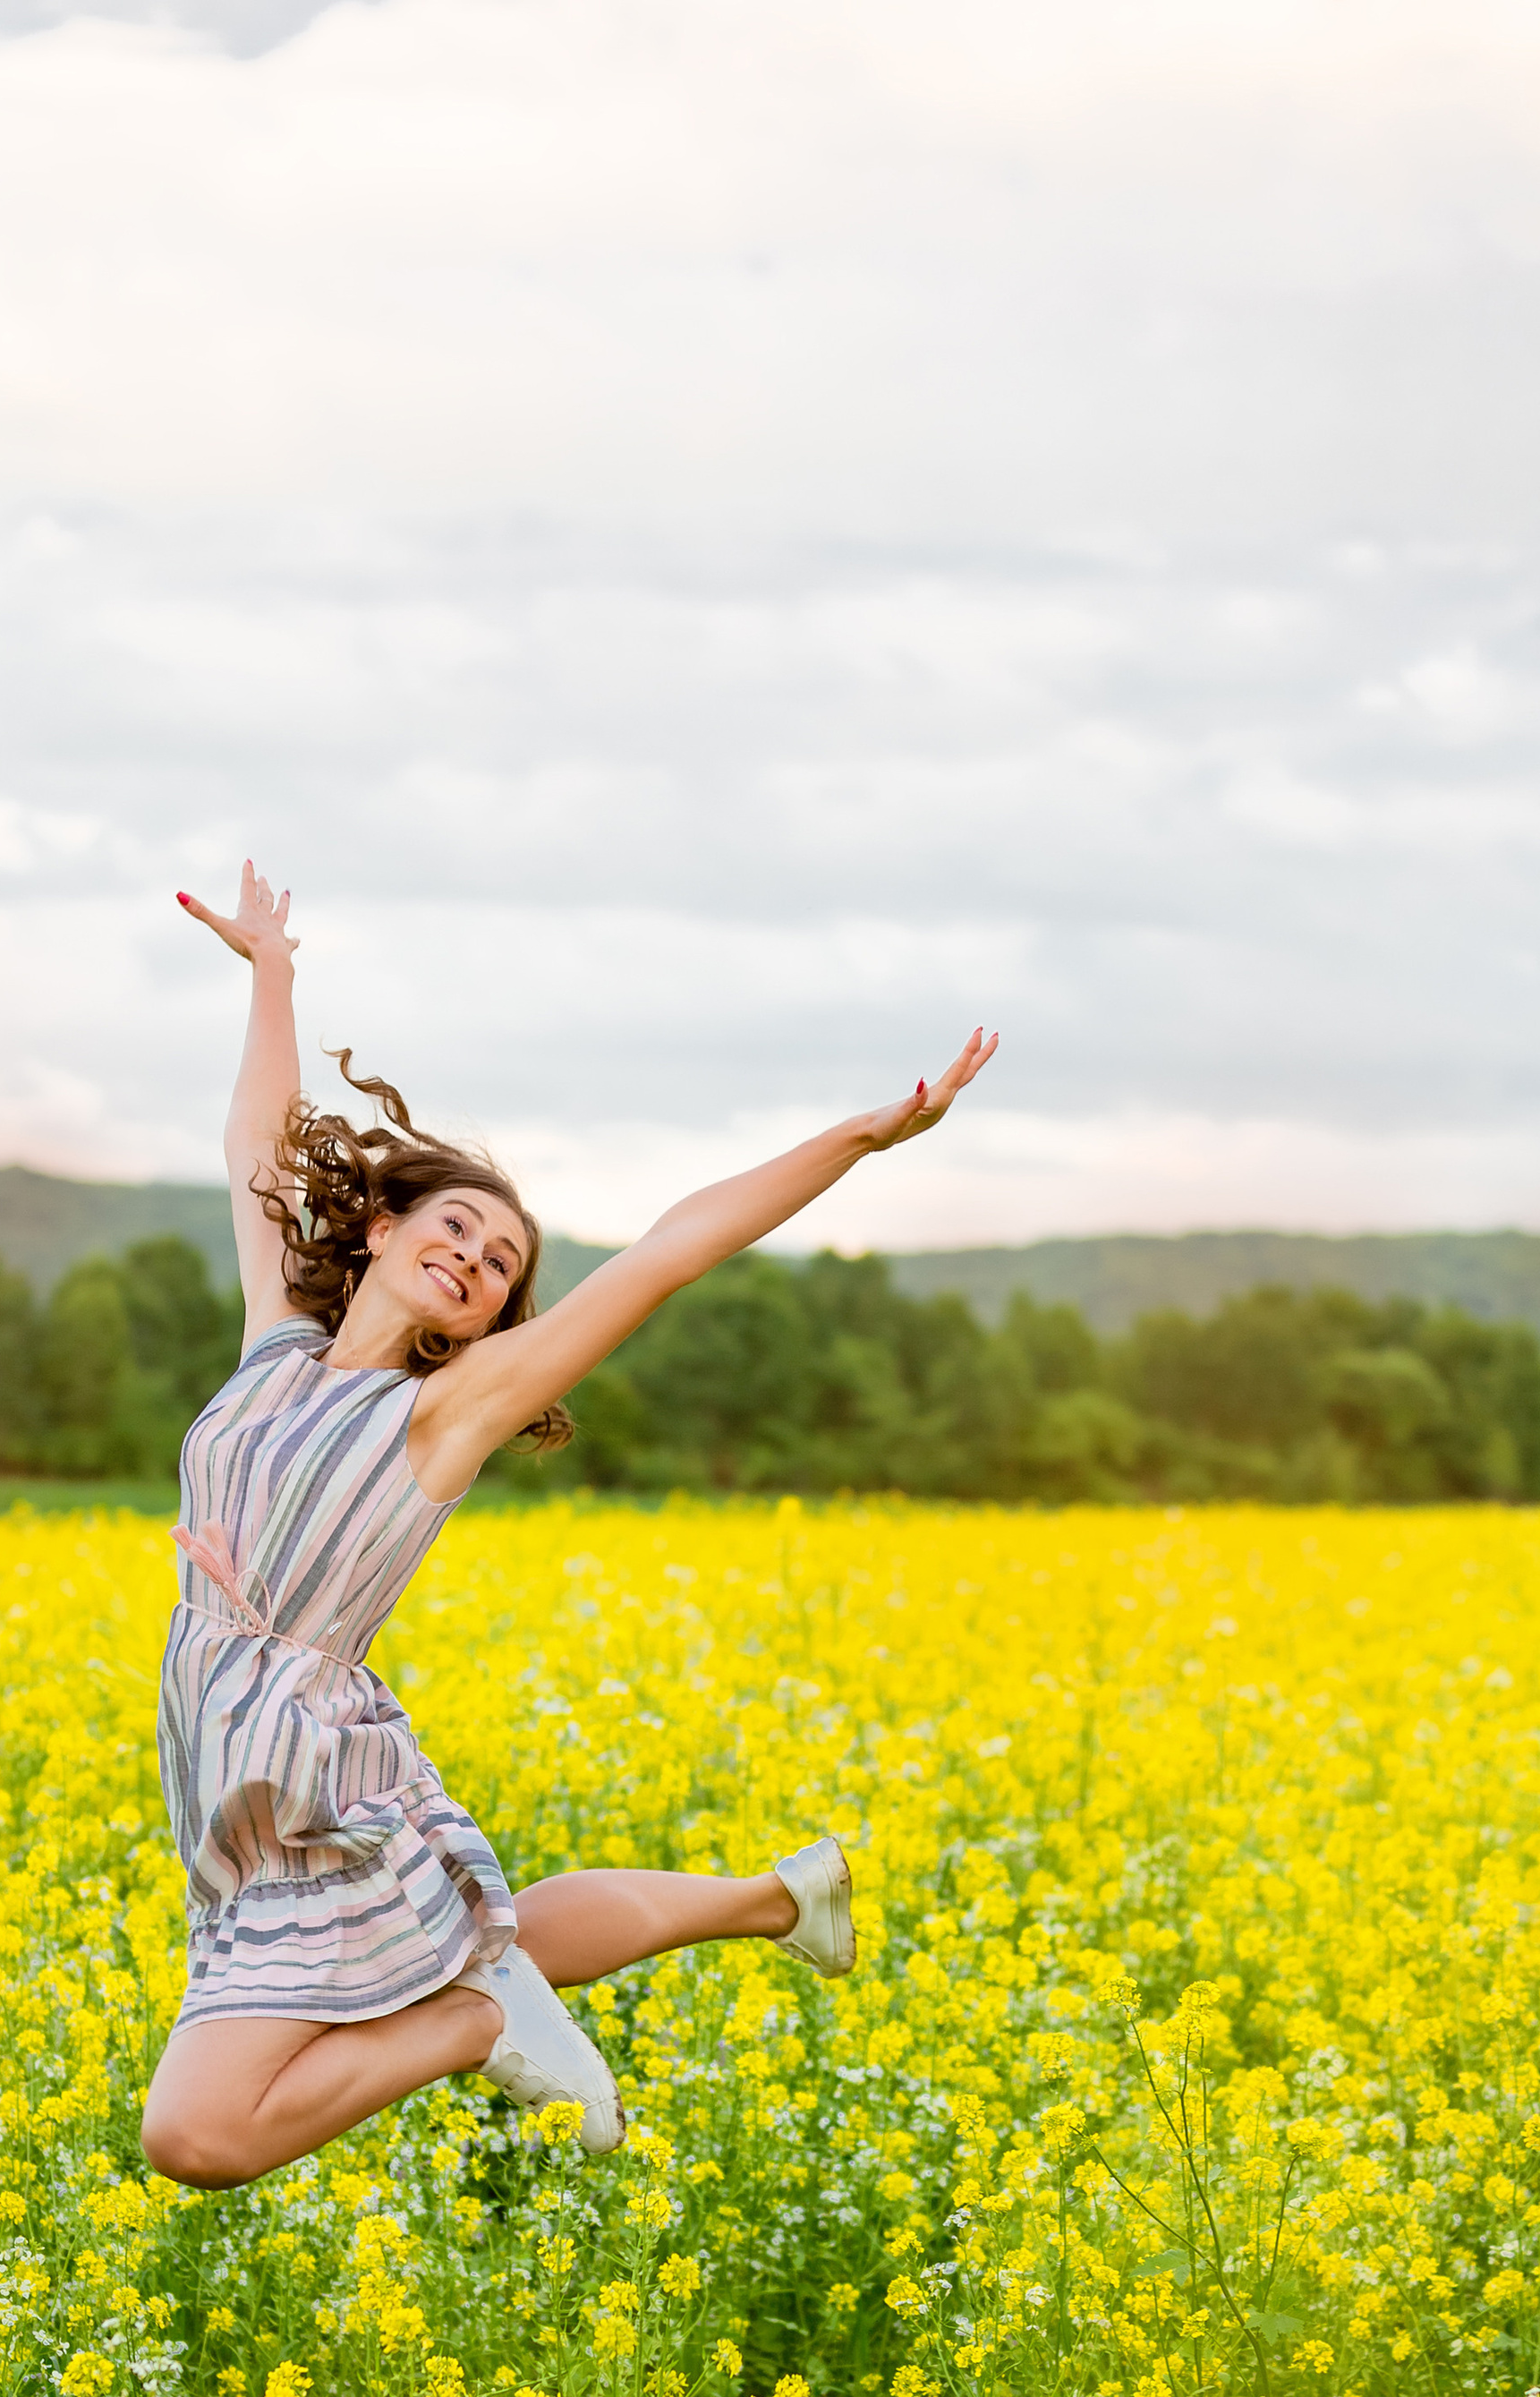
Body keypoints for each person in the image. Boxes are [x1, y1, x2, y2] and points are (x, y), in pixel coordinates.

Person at [139, 864, 996, 2189]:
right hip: (225, 1764)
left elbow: (665, 1253)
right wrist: (274, 977)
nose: (476, 1261)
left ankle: (480, 2024)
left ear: (487, 1326)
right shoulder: (275, 1353)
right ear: (376, 1229)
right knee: (493, 1923)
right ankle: (776, 1899)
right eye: (457, 1228)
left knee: (201, 2132)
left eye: (497, 1270)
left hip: (304, 1760)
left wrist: (858, 1142)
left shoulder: (446, 1415)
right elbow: (258, 1146)